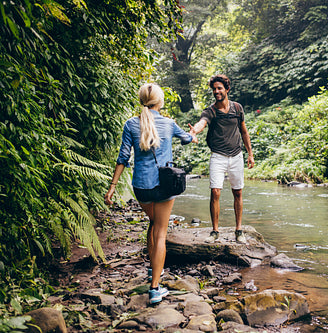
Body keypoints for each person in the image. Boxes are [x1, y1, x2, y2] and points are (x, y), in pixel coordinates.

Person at [104, 83, 197, 305]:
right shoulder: (169, 123)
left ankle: (151, 268)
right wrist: (193, 133)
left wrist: (113, 186)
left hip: (141, 186)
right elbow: (187, 139)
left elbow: (122, 158)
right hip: (165, 185)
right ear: (159, 101)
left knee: (153, 223)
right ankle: (155, 288)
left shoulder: (130, 124)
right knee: (161, 232)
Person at [189, 74, 254, 244]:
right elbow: (202, 123)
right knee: (215, 191)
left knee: (238, 192)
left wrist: (250, 154)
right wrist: (194, 131)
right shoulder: (210, 111)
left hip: (236, 155)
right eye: (214, 89)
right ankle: (215, 231)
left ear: (227, 89)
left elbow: (244, 132)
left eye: (219, 88)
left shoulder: (237, 108)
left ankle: (239, 230)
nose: (216, 91)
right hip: (217, 156)